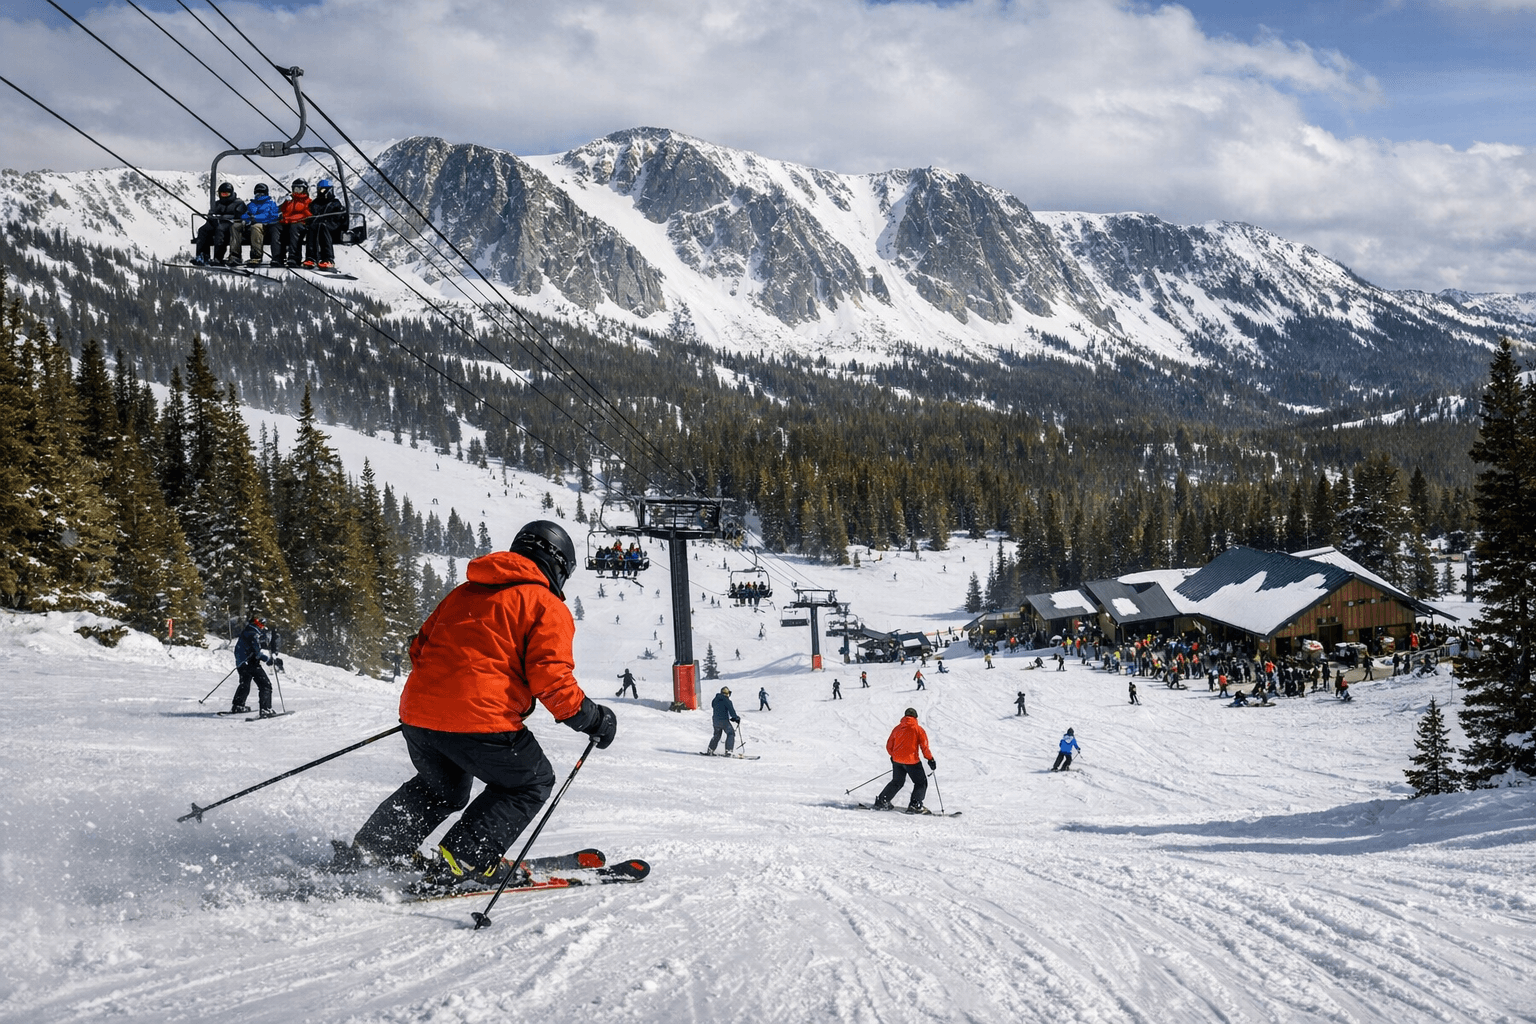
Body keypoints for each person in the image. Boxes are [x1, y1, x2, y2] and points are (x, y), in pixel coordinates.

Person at [336, 521, 616, 891]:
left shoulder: (464, 592)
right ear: (559, 565)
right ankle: (464, 858)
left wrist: (441, 697)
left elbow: (419, 647)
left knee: (443, 789)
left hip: (419, 716)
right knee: (530, 781)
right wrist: (595, 720)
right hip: (480, 720)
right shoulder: (545, 605)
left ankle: (375, 849)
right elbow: (552, 681)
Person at [872, 708, 935, 813]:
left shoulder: (897, 729)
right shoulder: (918, 729)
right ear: (915, 717)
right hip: (912, 762)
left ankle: (882, 801)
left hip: (897, 761)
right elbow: (924, 747)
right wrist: (930, 759)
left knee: (897, 782)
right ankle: (915, 805)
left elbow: (889, 745)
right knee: (920, 782)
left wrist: (894, 757)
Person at [230, 614, 278, 716]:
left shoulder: (248, 631)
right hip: (250, 664)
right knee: (265, 685)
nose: (263, 626)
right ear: (257, 622)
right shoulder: (253, 634)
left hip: (242, 664)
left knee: (245, 684)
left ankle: (238, 705)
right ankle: (265, 709)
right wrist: (267, 660)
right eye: (262, 623)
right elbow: (257, 652)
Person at [193, 181, 246, 266]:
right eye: (222, 194)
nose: (224, 196)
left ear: (231, 193)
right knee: (203, 230)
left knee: (220, 229)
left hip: (230, 225)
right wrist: (211, 216)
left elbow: (240, 217)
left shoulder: (238, 203)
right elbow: (212, 214)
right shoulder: (218, 204)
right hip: (217, 223)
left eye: (226, 194)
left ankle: (218, 257)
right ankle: (202, 255)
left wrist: (225, 217)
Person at [234, 183, 280, 266]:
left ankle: (256, 256)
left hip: (265, 227)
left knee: (256, 227)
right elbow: (244, 214)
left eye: (262, 193)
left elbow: (272, 216)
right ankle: (235, 256)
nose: (259, 195)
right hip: (250, 226)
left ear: (266, 193)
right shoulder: (251, 204)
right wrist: (247, 218)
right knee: (236, 226)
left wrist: (255, 218)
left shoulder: (270, 204)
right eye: (258, 193)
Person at [304, 178, 345, 269]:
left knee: (322, 226)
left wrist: (328, 221)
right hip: (318, 225)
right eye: (319, 190)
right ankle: (311, 257)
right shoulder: (315, 203)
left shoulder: (335, 203)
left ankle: (328, 258)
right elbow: (310, 214)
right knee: (312, 227)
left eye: (322, 190)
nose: (320, 192)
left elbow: (339, 217)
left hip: (332, 225)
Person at [273, 178, 312, 267]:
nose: (297, 191)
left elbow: (309, 215)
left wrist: (294, 219)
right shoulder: (289, 201)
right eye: (295, 189)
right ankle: (277, 257)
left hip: (300, 224)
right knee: (276, 227)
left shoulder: (308, 202)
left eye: (300, 189)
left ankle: (294, 257)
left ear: (304, 189)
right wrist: (286, 203)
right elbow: (281, 210)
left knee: (294, 227)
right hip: (288, 222)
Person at [706, 686, 741, 755]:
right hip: (723, 721)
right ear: (727, 693)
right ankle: (728, 751)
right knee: (731, 733)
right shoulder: (727, 700)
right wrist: (736, 718)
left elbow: (717, 708)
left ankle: (710, 750)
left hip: (715, 720)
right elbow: (731, 711)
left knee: (717, 735)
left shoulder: (715, 700)